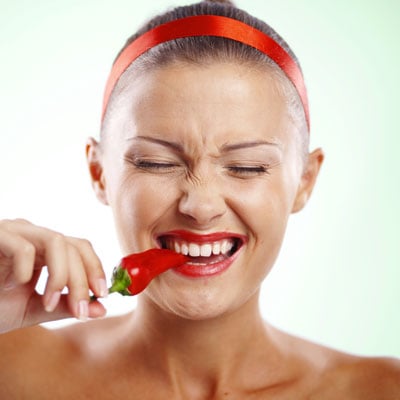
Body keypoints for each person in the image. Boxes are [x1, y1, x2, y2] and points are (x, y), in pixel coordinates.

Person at [0, 0, 399, 398]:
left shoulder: (381, 390)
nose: (201, 207)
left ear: (305, 181)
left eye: (247, 167)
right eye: (156, 163)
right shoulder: (14, 372)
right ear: (99, 172)